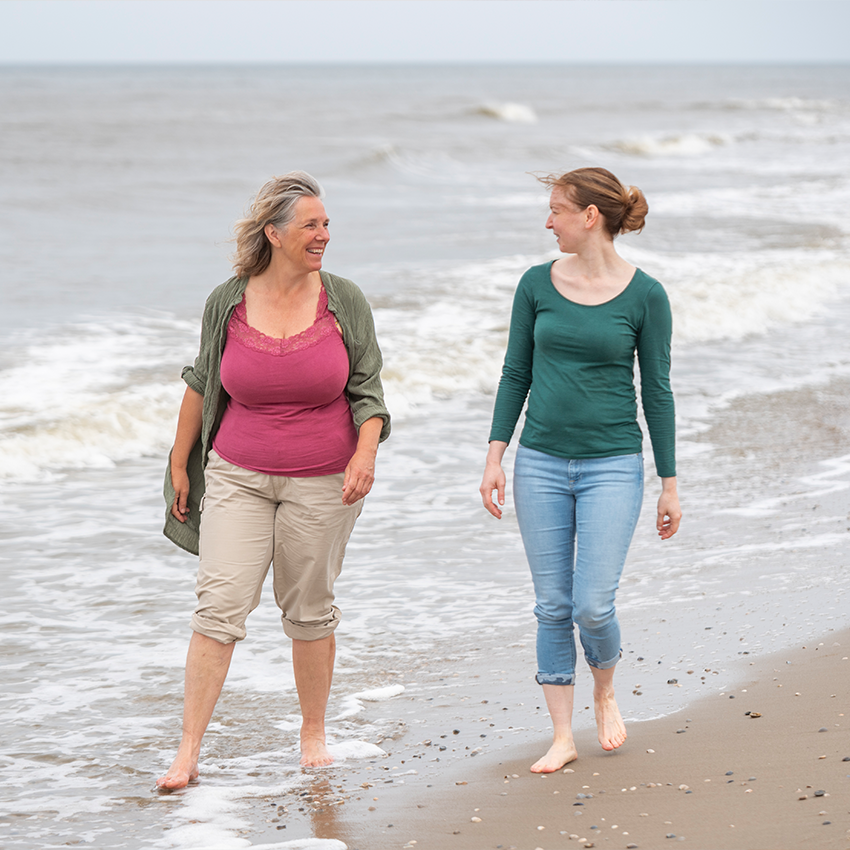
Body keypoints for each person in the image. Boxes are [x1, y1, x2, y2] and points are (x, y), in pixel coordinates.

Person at [157, 171, 390, 790]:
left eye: (327, 224)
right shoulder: (228, 300)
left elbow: (368, 393)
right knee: (218, 606)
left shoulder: (344, 299)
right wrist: (180, 462)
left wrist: (365, 455)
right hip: (237, 475)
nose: (324, 235)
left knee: (309, 611)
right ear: (275, 234)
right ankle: (187, 752)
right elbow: (201, 379)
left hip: (323, 481)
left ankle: (313, 733)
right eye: (312, 225)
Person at [479, 167, 681, 774]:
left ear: (589, 216)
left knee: (593, 604)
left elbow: (659, 392)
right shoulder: (535, 284)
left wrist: (669, 484)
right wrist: (496, 454)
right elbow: (516, 373)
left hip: (613, 465)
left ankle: (605, 689)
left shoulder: (647, 295)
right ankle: (563, 735)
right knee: (551, 604)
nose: (548, 222)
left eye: (556, 210)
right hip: (539, 462)